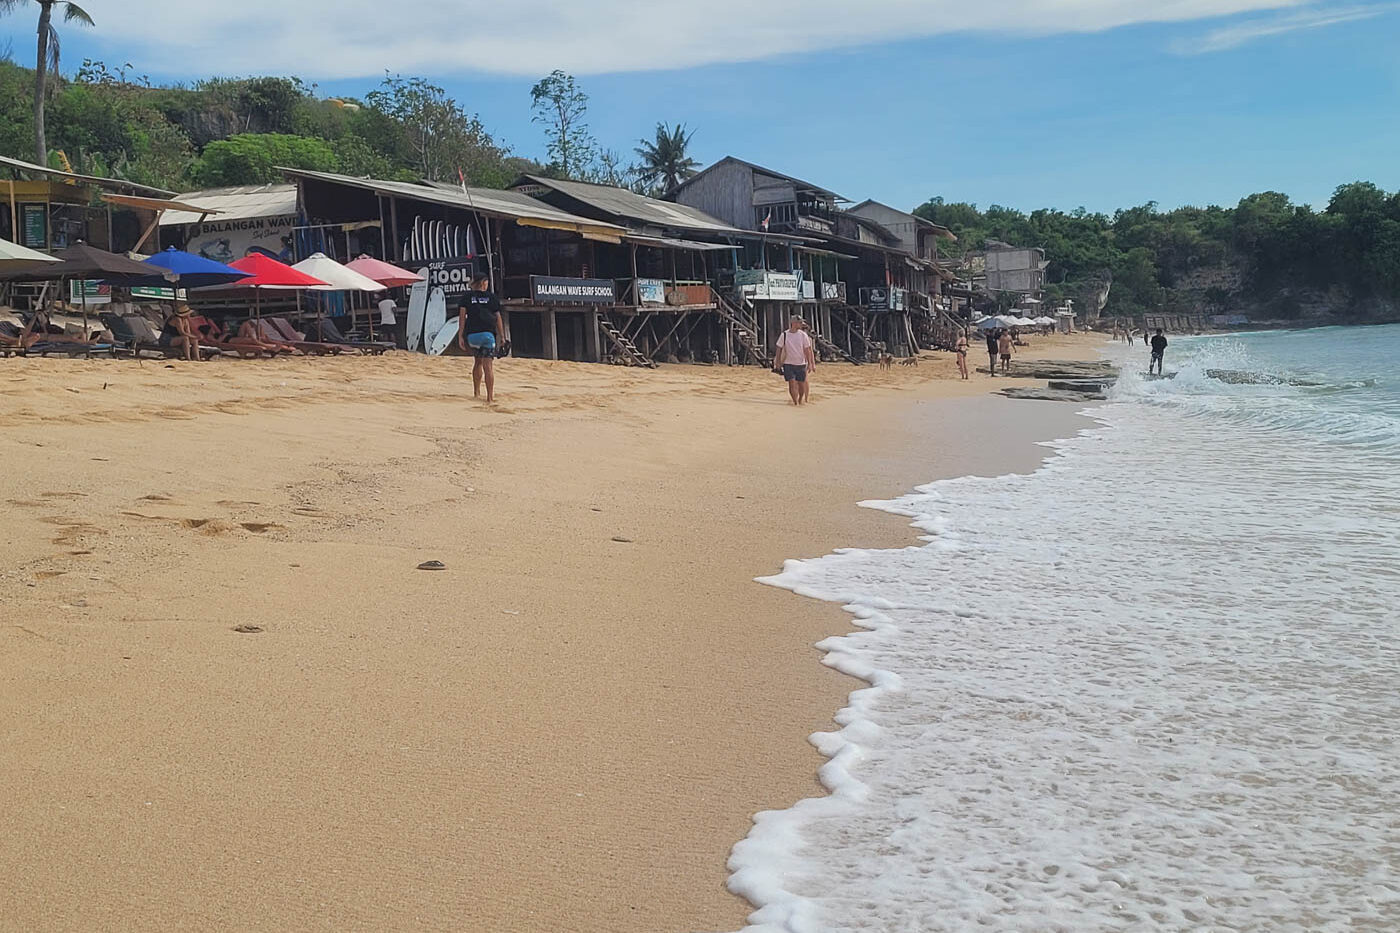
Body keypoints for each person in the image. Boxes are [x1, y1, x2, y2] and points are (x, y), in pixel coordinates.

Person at [458, 274, 504, 403]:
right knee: (488, 366)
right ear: (484, 283)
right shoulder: (492, 298)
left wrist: (460, 336)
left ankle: (476, 393)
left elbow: (462, 318)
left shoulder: (466, 297)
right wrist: (503, 336)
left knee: (478, 362)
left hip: (472, 337)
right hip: (488, 336)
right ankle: (489, 398)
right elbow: (498, 318)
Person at [773, 315, 815, 406]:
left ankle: (800, 399)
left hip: (801, 363)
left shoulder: (803, 335)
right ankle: (795, 402)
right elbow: (779, 349)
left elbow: (807, 350)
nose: (801, 324)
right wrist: (778, 362)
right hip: (788, 363)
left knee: (801, 384)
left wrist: (810, 363)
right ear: (793, 323)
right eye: (799, 322)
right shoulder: (784, 334)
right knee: (791, 383)